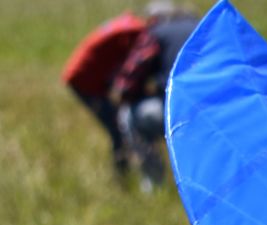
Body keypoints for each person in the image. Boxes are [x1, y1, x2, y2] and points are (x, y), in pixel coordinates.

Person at [109, 5, 199, 189]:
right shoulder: (202, 27)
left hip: (178, 110)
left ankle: (154, 182)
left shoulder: (156, 33)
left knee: (128, 116)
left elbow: (127, 81)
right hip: (217, 108)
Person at [60, 10, 147, 181]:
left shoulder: (127, 25)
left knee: (118, 125)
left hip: (84, 76)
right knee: (117, 128)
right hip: (85, 81)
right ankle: (121, 175)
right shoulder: (136, 33)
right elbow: (133, 67)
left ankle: (123, 172)